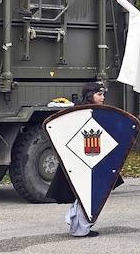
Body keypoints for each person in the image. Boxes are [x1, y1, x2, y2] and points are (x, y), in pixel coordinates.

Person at [47, 82, 116, 238]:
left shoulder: (99, 112)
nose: (103, 97)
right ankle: (79, 227)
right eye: (99, 94)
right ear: (90, 95)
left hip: (94, 159)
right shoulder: (78, 114)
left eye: (103, 94)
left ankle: (79, 225)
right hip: (80, 160)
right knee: (83, 193)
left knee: (91, 193)